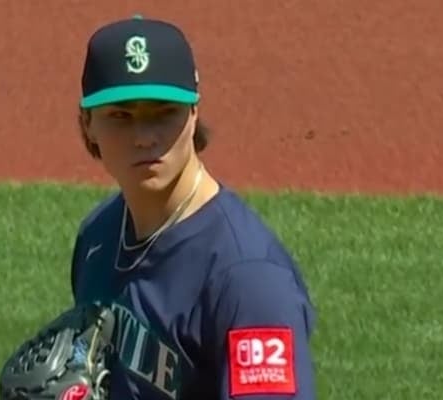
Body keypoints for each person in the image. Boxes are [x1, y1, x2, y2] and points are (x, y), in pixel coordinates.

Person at [71, 14, 317, 400]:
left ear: (193, 113)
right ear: (88, 123)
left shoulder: (248, 278)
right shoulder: (99, 237)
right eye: (120, 116)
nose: (144, 137)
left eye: (164, 113)